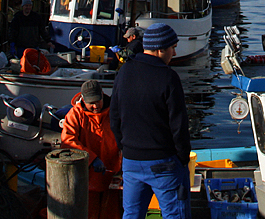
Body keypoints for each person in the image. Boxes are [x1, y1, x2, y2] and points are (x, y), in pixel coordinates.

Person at [110, 23, 191, 219]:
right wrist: (183, 157)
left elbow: (114, 116)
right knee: (175, 215)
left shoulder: (124, 72)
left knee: (131, 214)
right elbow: (179, 125)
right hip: (163, 162)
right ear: (160, 49)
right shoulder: (168, 77)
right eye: (173, 47)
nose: (174, 51)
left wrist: (124, 146)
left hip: (131, 161)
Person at [62, 79, 122, 219]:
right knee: (89, 213)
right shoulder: (75, 114)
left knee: (111, 213)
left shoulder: (114, 112)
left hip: (113, 173)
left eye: (98, 101)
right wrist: (92, 158)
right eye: (91, 103)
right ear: (83, 99)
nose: (95, 106)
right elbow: (68, 141)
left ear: (102, 95)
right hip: (87, 176)